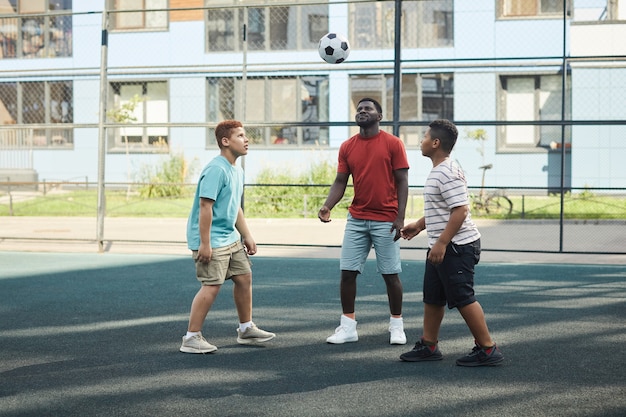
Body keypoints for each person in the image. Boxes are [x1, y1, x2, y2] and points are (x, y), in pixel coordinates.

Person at [399, 119, 503, 366]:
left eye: (424, 137)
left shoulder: (446, 172)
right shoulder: (440, 170)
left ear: (435, 143)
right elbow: (443, 209)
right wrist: (420, 225)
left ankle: (488, 349)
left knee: (463, 297)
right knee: (433, 296)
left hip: (457, 247)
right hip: (441, 246)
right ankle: (429, 345)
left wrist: (442, 243)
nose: (421, 141)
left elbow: (460, 210)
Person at [318, 98, 409, 345]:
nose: (362, 111)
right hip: (357, 219)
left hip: (386, 220)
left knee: (391, 274)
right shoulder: (348, 146)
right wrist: (328, 205)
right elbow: (340, 181)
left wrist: (400, 217)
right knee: (347, 272)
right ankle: (348, 327)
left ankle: (396, 326)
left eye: (368, 108)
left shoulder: (393, 144)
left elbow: (402, 180)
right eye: (359, 109)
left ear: (379, 116)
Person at [180, 120, 275, 354]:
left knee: (244, 278)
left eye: (245, 136)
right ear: (225, 141)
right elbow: (205, 206)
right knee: (211, 286)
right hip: (212, 240)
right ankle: (191, 337)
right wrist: (205, 243)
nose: (247, 140)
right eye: (241, 136)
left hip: (230, 238)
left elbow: (234, 207)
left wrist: (247, 235)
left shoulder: (237, 170)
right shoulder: (216, 169)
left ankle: (246, 329)